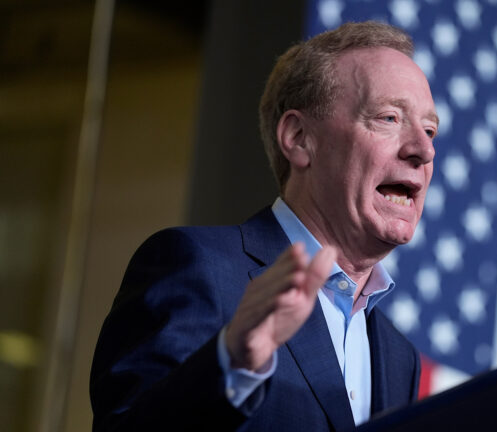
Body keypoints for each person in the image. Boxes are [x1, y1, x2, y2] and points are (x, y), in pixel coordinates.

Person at [90, 21, 438, 432]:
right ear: (298, 137)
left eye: (430, 129)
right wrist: (230, 363)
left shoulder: (399, 357)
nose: (423, 149)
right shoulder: (198, 268)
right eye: (389, 117)